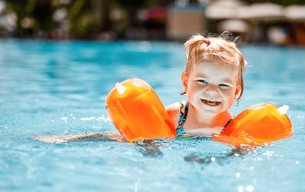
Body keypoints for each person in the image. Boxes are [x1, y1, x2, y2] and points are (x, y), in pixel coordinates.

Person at [33, 32, 247, 143]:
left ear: (236, 92)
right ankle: (70, 139)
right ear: (185, 82)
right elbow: (149, 133)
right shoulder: (176, 116)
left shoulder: (232, 127)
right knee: (118, 138)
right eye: (202, 81)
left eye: (223, 85)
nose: (212, 90)